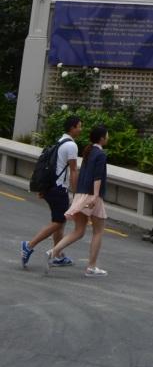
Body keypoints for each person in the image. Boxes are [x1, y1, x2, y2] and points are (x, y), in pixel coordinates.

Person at [47, 123, 109, 277]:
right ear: (102, 138)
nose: (108, 137)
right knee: (98, 231)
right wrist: (95, 196)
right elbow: (98, 177)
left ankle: (53, 251)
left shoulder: (89, 152)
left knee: (79, 231)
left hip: (81, 194)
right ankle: (91, 267)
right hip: (92, 196)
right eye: (107, 135)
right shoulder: (100, 154)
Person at [21, 114, 82, 269]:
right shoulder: (71, 146)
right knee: (59, 221)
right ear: (72, 127)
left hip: (51, 187)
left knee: (59, 221)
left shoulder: (60, 141)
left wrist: (44, 188)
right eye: (79, 126)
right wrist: (76, 194)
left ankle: (58, 255)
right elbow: (74, 171)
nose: (81, 129)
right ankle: (29, 245)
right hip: (58, 189)